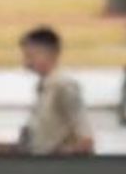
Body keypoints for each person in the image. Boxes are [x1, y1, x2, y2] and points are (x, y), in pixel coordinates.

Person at [18, 27, 95, 155]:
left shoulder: (64, 87)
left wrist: (56, 159)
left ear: (52, 54)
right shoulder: (44, 88)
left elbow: (86, 140)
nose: (26, 63)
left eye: (30, 56)